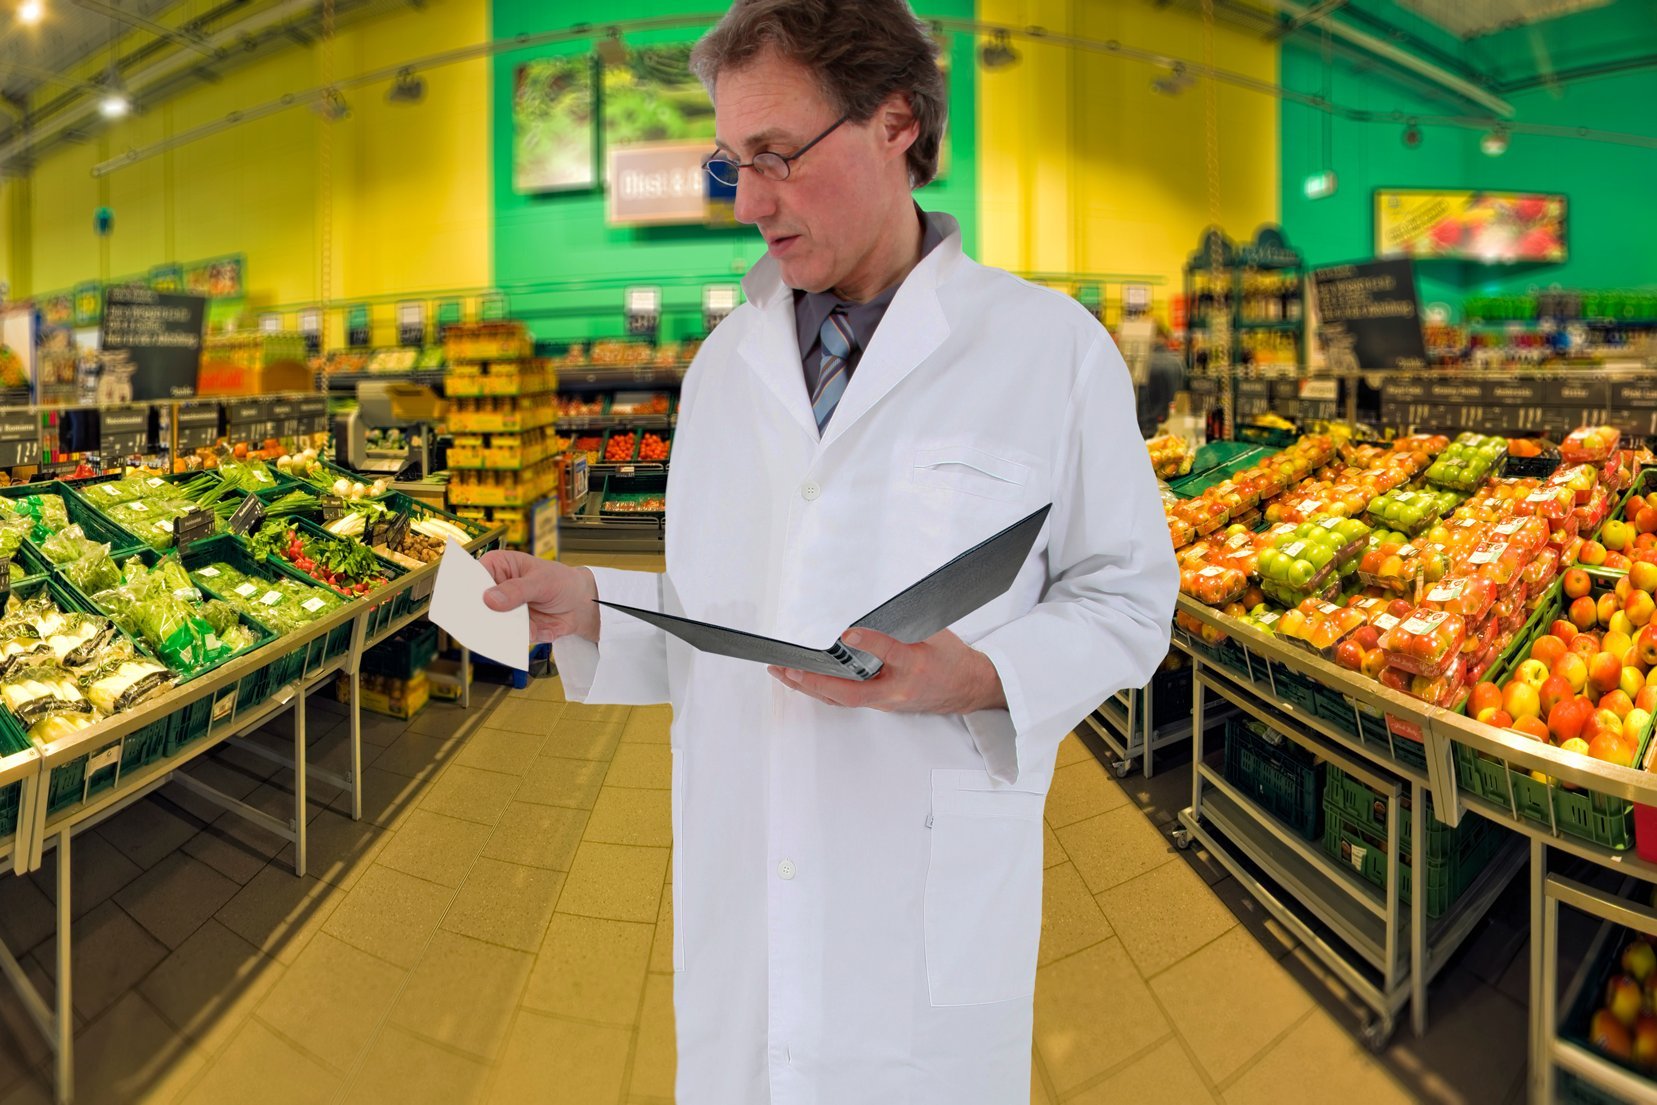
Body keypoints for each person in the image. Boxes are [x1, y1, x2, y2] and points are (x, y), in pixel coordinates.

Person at [478, 2, 1177, 1101]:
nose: (749, 202)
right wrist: (596, 606)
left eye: (777, 157)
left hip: (921, 940)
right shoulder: (722, 371)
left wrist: (986, 674)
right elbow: (730, 611)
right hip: (743, 924)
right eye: (731, 162)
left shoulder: (1048, 352)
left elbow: (1128, 599)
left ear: (897, 120)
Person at [1138, 319, 1186, 439]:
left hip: (1144, 430)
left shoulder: (1141, 364)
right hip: (1171, 429)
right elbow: (1182, 399)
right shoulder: (1178, 362)